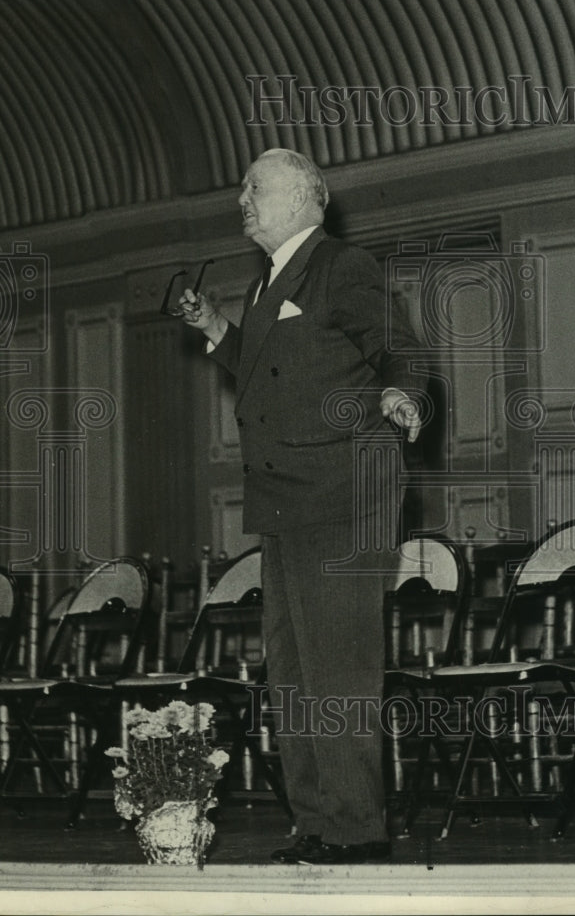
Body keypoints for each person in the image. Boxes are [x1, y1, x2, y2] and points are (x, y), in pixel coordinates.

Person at [179, 148, 425, 864]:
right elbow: (275, 367)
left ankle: (357, 830)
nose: (242, 202)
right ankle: (320, 822)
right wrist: (217, 331)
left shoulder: (339, 266)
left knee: (339, 668)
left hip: (343, 492)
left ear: (305, 196)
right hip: (285, 502)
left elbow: (398, 346)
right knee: (292, 673)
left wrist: (403, 393)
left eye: (254, 189)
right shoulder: (267, 285)